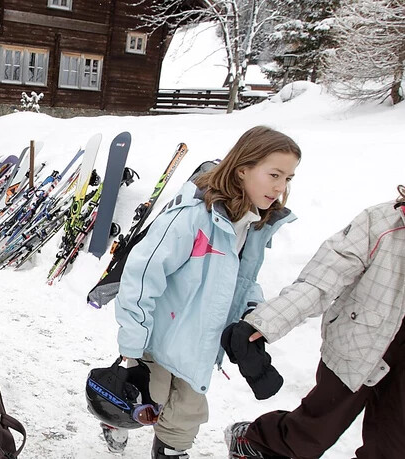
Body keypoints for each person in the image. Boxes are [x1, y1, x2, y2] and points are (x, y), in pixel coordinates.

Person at [110, 126, 301, 458]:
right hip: (157, 337)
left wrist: (251, 311)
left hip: (200, 343)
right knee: (144, 399)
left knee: (187, 411)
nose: (280, 187)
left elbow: (241, 280)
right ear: (243, 168)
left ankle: (172, 450)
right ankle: (116, 419)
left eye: (288, 178)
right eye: (274, 174)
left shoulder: (254, 225)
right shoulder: (193, 217)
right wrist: (133, 340)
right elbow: (142, 274)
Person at [224, 185, 405, 459]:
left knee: (394, 446)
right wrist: (263, 323)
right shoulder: (380, 224)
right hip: (359, 344)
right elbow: (320, 282)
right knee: (314, 429)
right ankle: (255, 443)